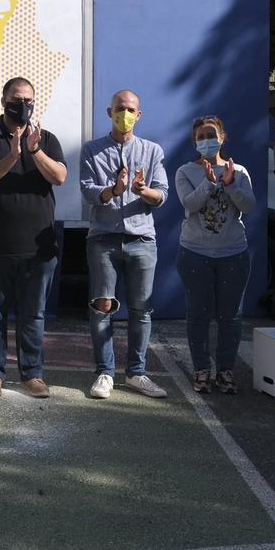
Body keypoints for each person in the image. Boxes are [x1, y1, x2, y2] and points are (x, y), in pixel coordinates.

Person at [0, 78, 68, 398]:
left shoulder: (46, 139)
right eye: (15, 99)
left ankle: (32, 374)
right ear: (3, 100)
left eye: (28, 100)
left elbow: (60, 176)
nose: (22, 105)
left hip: (38, 248)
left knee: (33, 314)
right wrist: (11, 155)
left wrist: (33, 150)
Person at [79, 89, 168, 400]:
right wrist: (115, 189)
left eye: (131, 109)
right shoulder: (91, 150)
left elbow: (162, 195)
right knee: (103, 307)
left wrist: (142, 190)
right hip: (103, 239)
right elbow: (88, 192)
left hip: (142, 239)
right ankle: (105, 372)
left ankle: (136, 373)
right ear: (109, 111)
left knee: (141, 310)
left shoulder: (152, 151)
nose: (125, 113)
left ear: (139, 115)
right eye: (120, 108)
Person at [174, 117, 256, 394]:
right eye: (201, 135)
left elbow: (250, 205)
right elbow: (190, 203)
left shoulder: (239, 170)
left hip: (234, 253)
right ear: (194, 141)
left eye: (212, 134)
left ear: (222, 137)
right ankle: (201, 369)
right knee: (198, 314)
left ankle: (225, 370)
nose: (206, 139)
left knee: (230, 316)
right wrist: (209, 183)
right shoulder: (185, 171)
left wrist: (231, 184)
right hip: (194, 253)